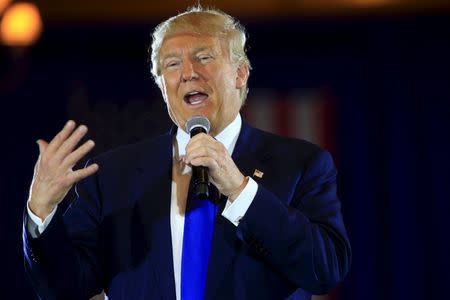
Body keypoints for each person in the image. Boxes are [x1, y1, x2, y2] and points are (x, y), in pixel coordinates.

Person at [23, 6, 351, 300]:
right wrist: (41, 212)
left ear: (240, 73)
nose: (188, 72)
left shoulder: (301, 165)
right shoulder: (112, 175)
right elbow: (63, 290)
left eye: (204, 57)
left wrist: (240, 189)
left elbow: (325, 270)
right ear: (162, 86)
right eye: (172, 64)